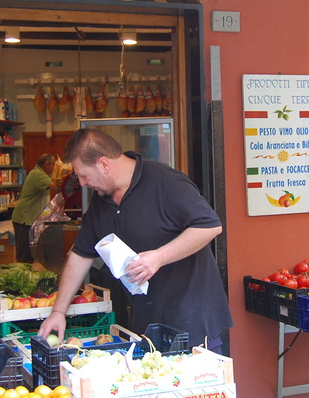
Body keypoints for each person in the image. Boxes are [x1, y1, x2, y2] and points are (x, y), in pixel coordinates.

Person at [38, 128, 232, 352]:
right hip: (146, 326)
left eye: (83, 175)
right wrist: (58, 312)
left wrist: (159, 257)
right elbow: (81, 254)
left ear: (104, 164)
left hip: (193, 324)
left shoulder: (167, 183)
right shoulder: (101, 200)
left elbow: (210, 226)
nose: (81, 183)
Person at [11, 153, 61, 263]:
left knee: (31, 253)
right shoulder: (38, 174)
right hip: (24, 218)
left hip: (30, 219)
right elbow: (56, 186)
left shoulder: (43, 174)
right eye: (53, 165)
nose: (54, 168)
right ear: (46, 164)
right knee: (24, 253)